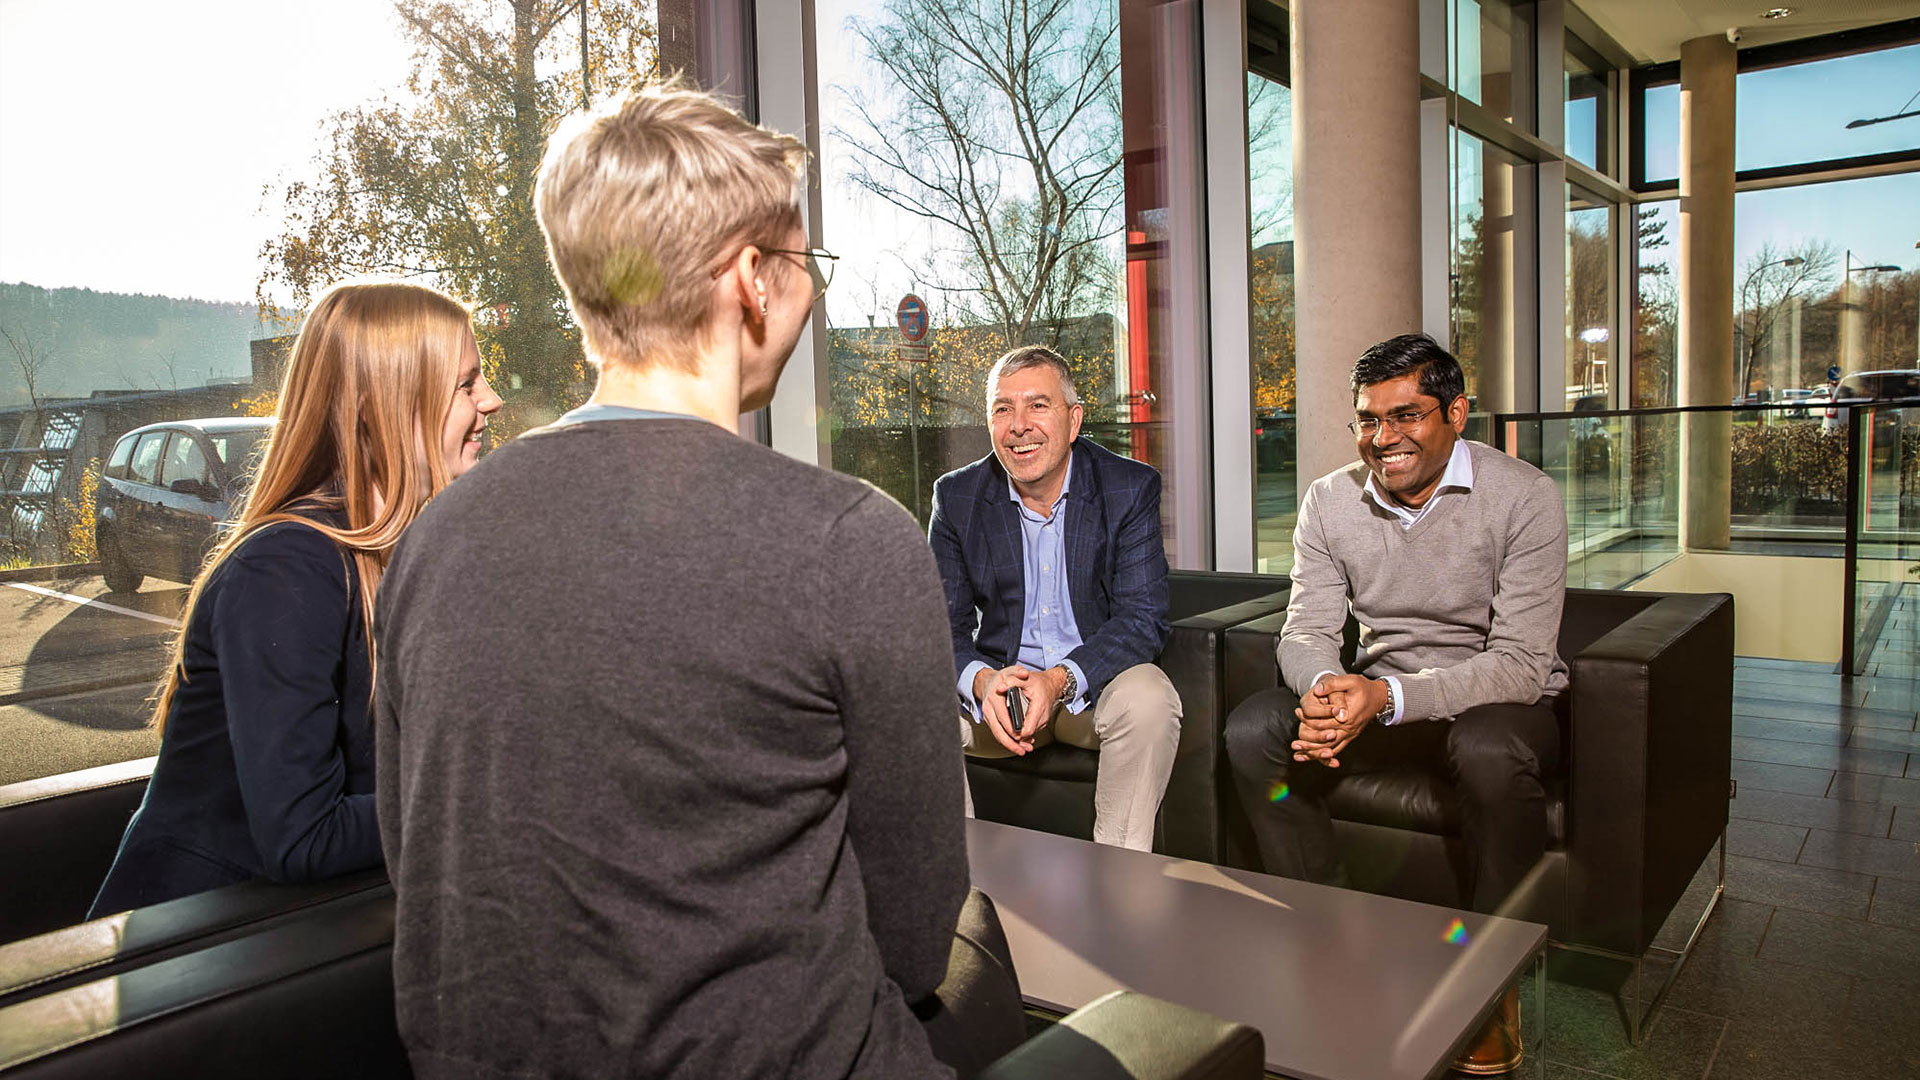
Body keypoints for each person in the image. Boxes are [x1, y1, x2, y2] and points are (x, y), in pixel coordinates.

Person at [374, 83, 988, 1079]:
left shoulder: (432, 543)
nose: (810, 288)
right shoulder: (848, 543)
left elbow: (424, 867)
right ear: (751, 277)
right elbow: (916, 940)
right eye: (803, 264)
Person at [89, 282, 501, 917]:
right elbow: (303, 838)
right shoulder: (285, 568)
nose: (491, 401)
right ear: (385, 403)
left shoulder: (400, 553)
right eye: (466, 384)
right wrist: (500, 800)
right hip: (194, 967)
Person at [1223, 332, 1567, 1076]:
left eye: (1406, 416)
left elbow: (1520, 663)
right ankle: (1332, 937)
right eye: (1368, 420)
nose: (1383, 439)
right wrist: (1323, 695)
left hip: (1495, 703)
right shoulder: (1329, 500)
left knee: (1487, 749)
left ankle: (1490, 984)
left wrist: (1385, 697)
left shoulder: (1527, 497)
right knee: (1255, 729)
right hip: (1382, 700)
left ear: (1457, 413)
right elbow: (1307, 630)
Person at [930, 345, 1180, 852]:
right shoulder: (957, 497)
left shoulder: (1127, 488)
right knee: (904, 699)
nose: (1019, 426)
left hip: (1090, 689)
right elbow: (937, 627)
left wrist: (1056, 681)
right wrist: (980, 681)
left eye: (1037, 405)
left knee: (1150, 698)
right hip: (1001, 692)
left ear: (1073, 420)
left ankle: (1121, 885)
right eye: (1003, 409)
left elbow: (1143, 619)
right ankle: (951, 892)